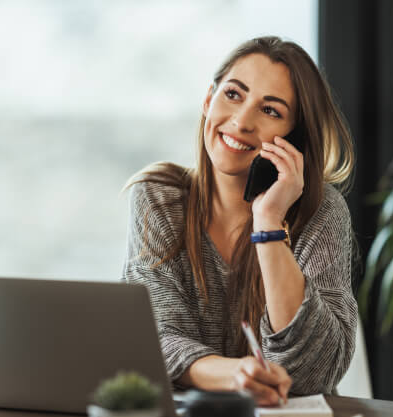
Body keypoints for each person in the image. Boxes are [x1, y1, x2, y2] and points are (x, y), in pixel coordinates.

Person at [122, 36, 357, 406]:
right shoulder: (159, 197)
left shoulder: (322, 211)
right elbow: (154, 338)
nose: (242, 121)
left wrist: (268, 222)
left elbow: (314, 370)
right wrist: (238, 375)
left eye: (271, 111)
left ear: (293, 140)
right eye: (233, 94)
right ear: (208, 99)